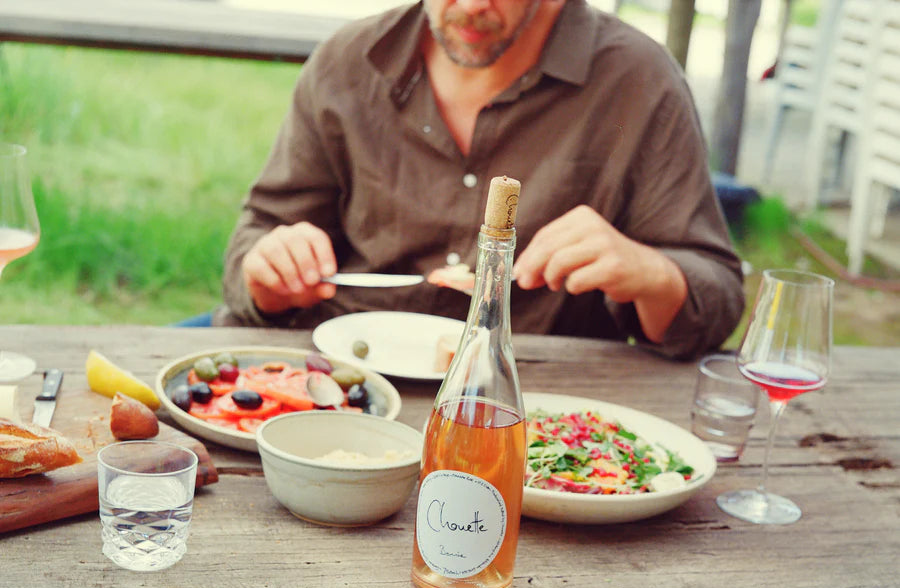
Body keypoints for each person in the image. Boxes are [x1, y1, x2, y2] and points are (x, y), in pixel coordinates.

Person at [214, 0, 745, 361]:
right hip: (337, 377)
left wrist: (652, 273)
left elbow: (715, 298)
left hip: (529, 412)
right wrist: (267, 272)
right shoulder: (348, 63)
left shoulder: (637, 82)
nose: (470, 6)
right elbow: (256, 240)